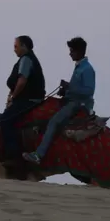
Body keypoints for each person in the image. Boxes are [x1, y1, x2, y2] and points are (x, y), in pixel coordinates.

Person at [23, 36, 95, 164]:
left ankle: (39, 155)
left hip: (79, 105)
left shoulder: (87, 69)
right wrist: (66, 91)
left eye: (72, 51)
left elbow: (89, 91)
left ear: (79, 51)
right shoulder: (80, 67)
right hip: (72, 100)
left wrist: (70, 87)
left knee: (54, 122)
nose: (70, 53)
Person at [0, 35, 46, 158]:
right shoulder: (27, 59)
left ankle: (14, 156)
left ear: (24, 46)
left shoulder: (26, 60)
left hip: (29, 100)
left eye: (16, 46)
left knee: (4, 121)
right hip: (27, 98)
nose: (14, 49)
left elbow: (22, 81)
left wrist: (13, 97)